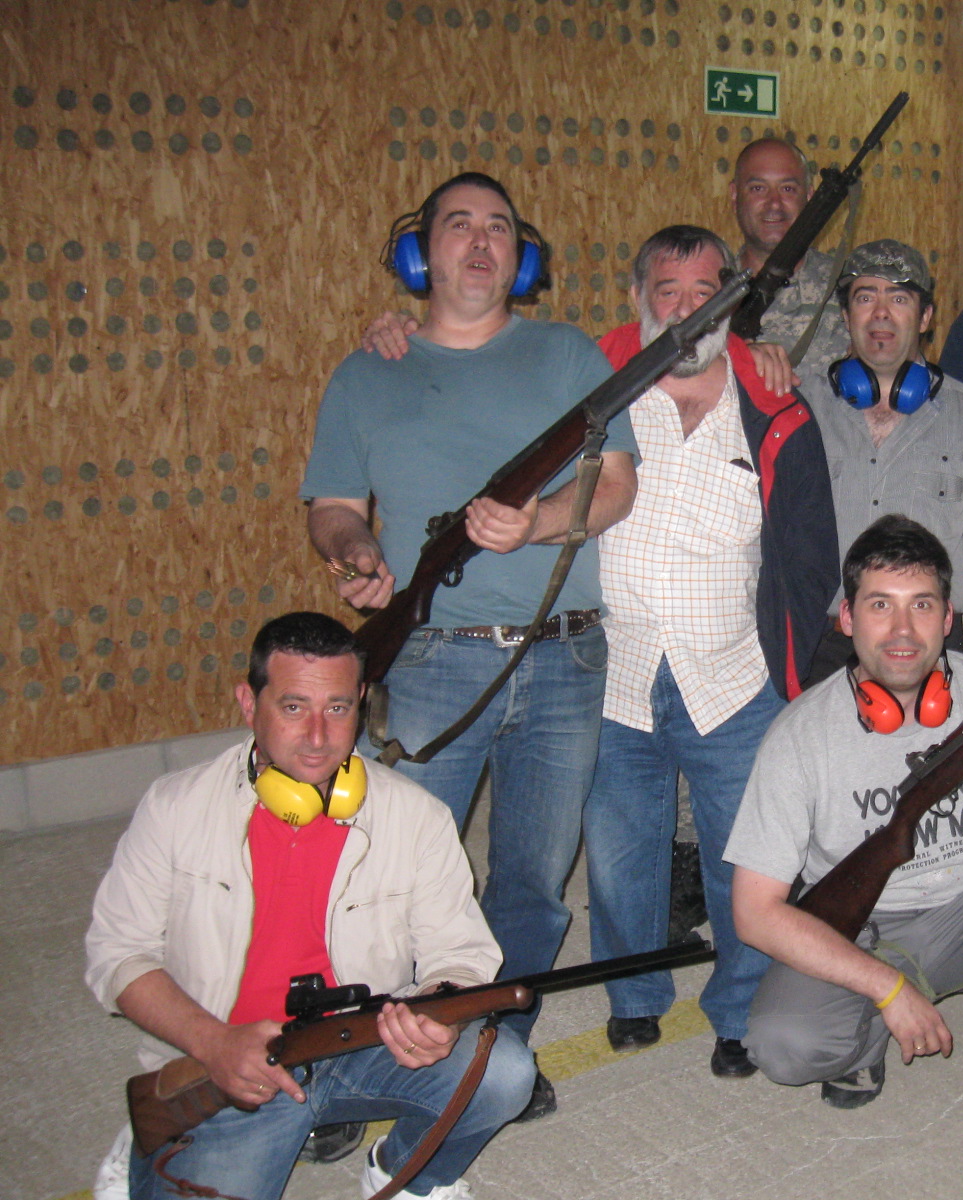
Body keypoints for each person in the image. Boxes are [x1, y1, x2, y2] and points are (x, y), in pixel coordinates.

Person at [301, 171, 638, 1118]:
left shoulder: (566, 354)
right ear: (422, 252)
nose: (481, 242)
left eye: (499, 227)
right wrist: (353, 549)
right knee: (386, 876)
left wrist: (534, 525)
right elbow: (333, 506)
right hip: (430, 658)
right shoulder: (367, 370)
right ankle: (356, 1063)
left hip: (564, 656)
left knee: (533, 882)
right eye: (460, 225)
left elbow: (615, 486)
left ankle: (492, 1055)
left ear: (521, 257)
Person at [84, 613, 535, 1200]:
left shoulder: (416, 816)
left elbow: (460, 952)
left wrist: (437, 1008)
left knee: (504, 1072)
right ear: (249, 704)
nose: (319, 736)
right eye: (294, 707)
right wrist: (213, 1044)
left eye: (338, 708)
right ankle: (153, 1128)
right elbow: (117, 953)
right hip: (232, 1059)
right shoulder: (175, 806)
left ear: (362, 703)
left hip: (360, 1040)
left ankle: (404, 1175)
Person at [727, 515, 963, 1193]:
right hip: (862, 933)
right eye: (880, 605)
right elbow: (755, 914)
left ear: (949, 616)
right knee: (785, 1045)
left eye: (923, 605)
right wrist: (886, 989)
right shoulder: (799, 734)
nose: (903, 630)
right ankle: (868, 1035)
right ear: (847, 618)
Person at [581, 225, 836, 1075]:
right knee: (619, 856)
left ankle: (738, 1008)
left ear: (733, 300)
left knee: (745, 861)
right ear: (638, 302)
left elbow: (810, 553)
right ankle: (634, 995)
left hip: (732, 678)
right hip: (616, 674)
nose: (689, 311)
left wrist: (791, 672)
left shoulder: (774, 407)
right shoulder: (598, 391)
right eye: (669, 293)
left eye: (706, 293)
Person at [799, 238, 963, 681]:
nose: (881, 313)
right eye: (865, 298)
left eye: (898, 299)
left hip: (929, 641)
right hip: (821, 645)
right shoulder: (801, 410)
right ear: (846, 317)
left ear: (926, 317)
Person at [728, 137, 851, 374]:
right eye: (758, 188)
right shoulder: (707, 292)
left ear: (810, 197)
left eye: (788, 189)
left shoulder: (849, 288)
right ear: (734, 195)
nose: (774, 204)